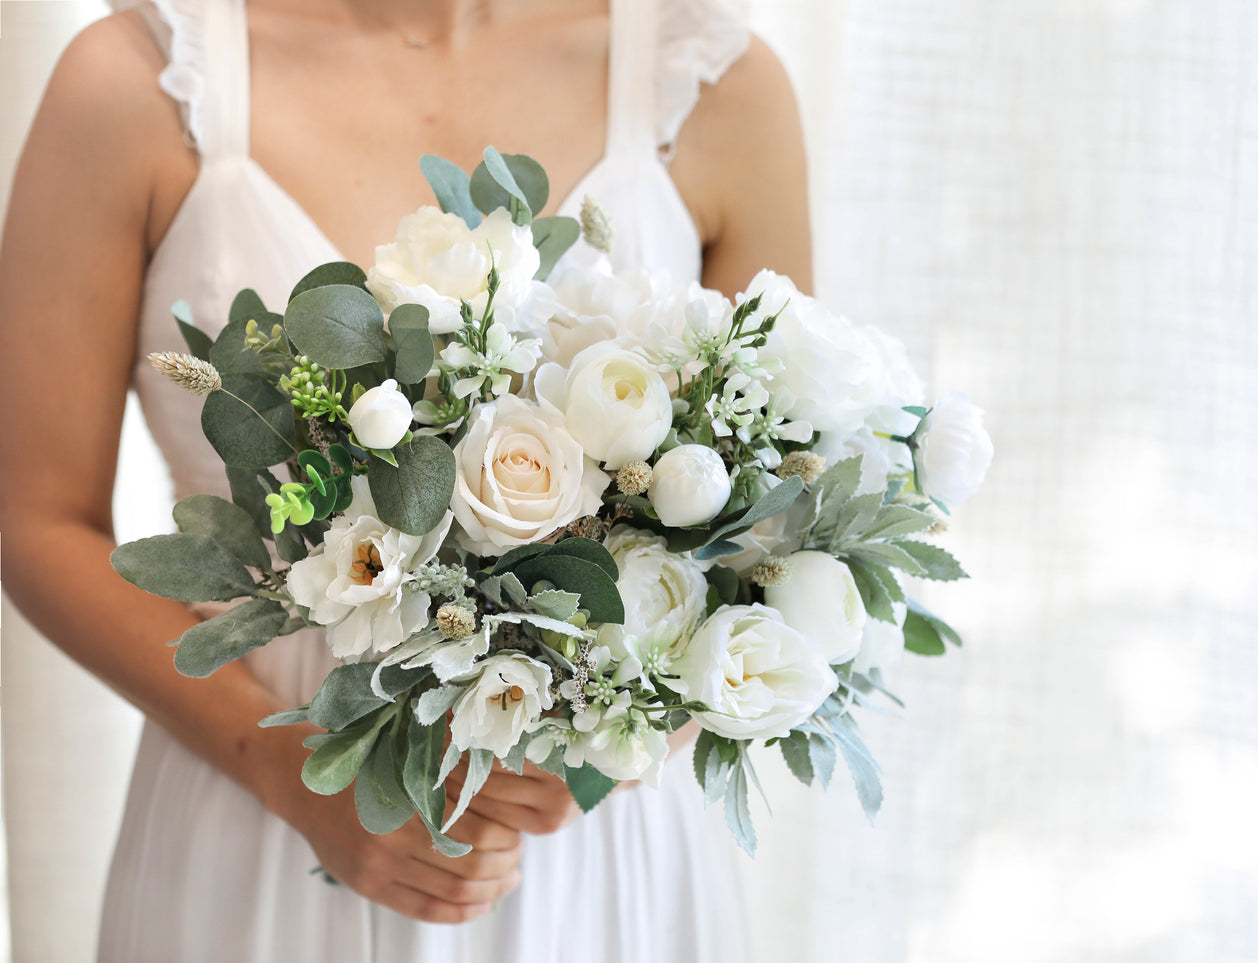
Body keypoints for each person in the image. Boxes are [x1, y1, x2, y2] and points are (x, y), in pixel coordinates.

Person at [0, 0, 811, 958]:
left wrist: (617, 740)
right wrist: (283, 763)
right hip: (263, 805)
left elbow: (780, 516)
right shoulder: (138, 82)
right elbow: (37, 518)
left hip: (590, 847)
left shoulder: (710, 83)